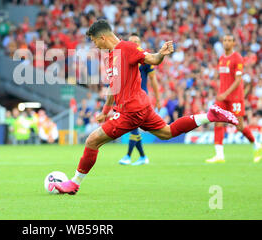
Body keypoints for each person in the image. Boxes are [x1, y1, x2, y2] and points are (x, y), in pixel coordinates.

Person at [50, 20, 239, 195]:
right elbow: (113, 86)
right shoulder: (110, 57)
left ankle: (74, 182)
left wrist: (162, 54)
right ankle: (209, 115)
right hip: (140, 107)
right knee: (167, 132)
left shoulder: (127, 48)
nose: (95, 45)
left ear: (102, 37)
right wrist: (105, 111)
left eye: (94, 41)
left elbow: (153, 59)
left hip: (131, 110)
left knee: (92, 141)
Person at [206, 35, 262, 163]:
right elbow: (223, 78)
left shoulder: (237, 58)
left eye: (229, 40)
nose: (226, 42)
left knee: (239, 125)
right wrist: (221, 92)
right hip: (222, 97)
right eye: (224, 40)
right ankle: (219, 155)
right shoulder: (221, 58)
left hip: (235, 97)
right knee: (217, 122)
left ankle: (256, 144)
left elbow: (238, 81)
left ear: (233, 43)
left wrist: (225, 94)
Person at [119, 33, 161, 166]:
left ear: (140, 44)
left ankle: (128, 156)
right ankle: (142, 156)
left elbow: (153, 79)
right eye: (131, 41)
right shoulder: (123, 58)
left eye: (136, 41)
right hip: (127, 97)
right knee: (134, 127)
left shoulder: (145, 59)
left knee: (134, 127)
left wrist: (158, 98)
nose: (134, 44)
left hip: (140, 97)